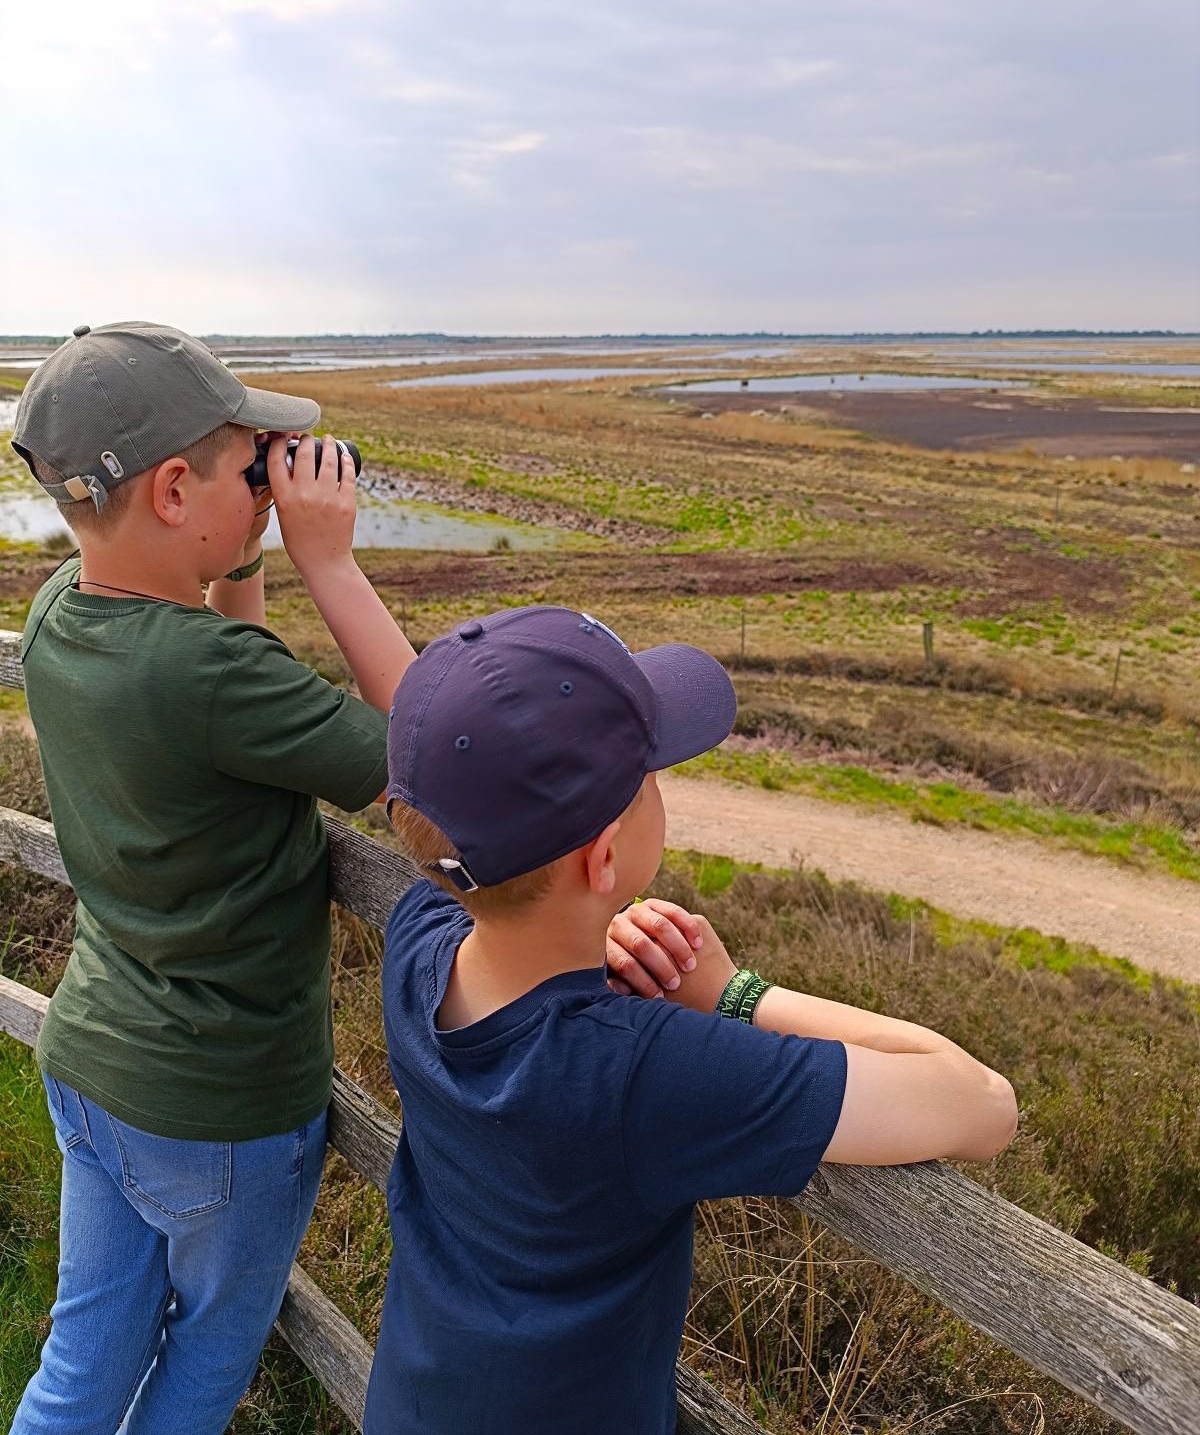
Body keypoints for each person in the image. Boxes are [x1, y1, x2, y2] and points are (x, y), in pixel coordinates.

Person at [366, 606, 1019, 1434]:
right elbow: (982, 1105)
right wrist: (729, 993)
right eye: (651, 774)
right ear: (602, 858)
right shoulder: (643, 1070)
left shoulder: (418, 945)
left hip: (415, 1404)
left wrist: (586, 928)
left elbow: (452, 836)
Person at [9, 321, 417, 1434]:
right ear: (177, 488)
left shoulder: (61, 615)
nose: (271, 487)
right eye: (253, 467)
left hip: (96, 1063)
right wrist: (329, 562)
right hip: (222, 1107)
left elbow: (212, 657)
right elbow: (436, 756)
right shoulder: (214, 675)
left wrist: (238, 549)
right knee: (202, 1365)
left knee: (84, 1362)